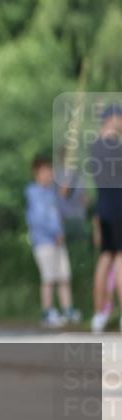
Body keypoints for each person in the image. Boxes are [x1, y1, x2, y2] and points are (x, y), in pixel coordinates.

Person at [25, 154, 80, 328]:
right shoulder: (34, 193)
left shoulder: (53, 192)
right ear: (36, 173)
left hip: (58, 241)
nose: (49, 175)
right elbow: (39, 218)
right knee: (49, 278)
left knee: (64, 276)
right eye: (45, 171)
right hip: (44, 242)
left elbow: (64, 206)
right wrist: (55, 232)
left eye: (50, 171)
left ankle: (67, 309)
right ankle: (48, 311)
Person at [90, 103, 122, 333]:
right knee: (120, 260)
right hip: (119, 207)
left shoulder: (95, 146)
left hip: (103, 208)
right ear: (112, 119)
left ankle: (100, 315)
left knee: (105, 259)